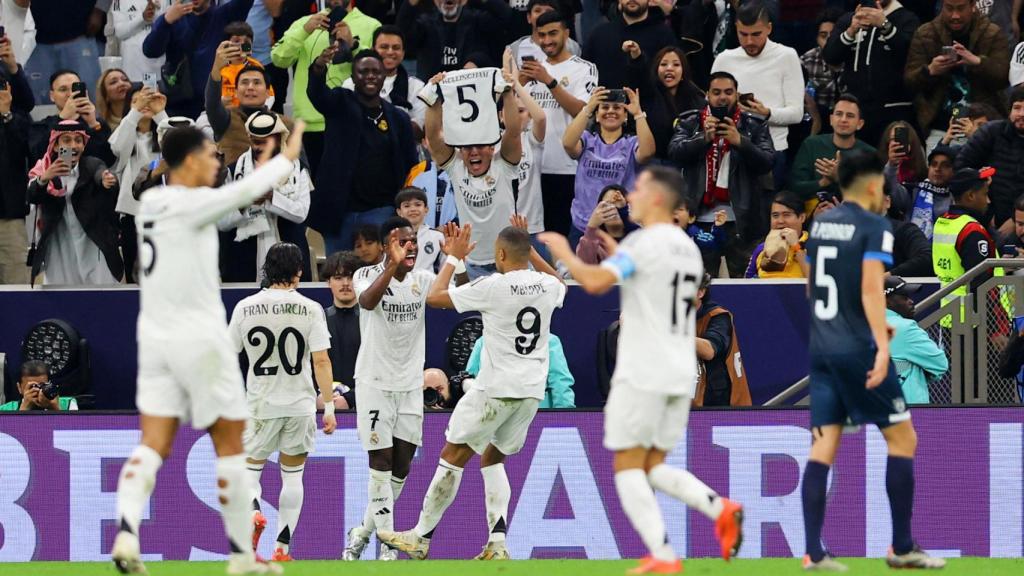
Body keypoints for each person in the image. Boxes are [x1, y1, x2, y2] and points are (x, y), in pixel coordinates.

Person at [110, 120, 307, 576]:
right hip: (198, 336)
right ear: (191, 159)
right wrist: (287, 154)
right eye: (211, 153)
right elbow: (249, 191)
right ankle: (241, 558)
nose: (217, 161)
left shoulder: (153, 202)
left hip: (155, 338)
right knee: (230, 445)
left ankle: (125, 532)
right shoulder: (188, 202)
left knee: (153, 443)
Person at [539, 166, 744, 575]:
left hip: (642, 368)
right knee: (651, 464)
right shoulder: (686, 248)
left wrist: (560, 251)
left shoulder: (646, 241)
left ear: (657, 199)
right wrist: (615, 250)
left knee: (626, 467)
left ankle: (664, 555)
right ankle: (720, 508)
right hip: (678, 372)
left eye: (639, 187)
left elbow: (595, 282)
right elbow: (646, 280)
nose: (630, 193)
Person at [378, 224, 565, 561]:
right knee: (493, 458)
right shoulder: (549, 285)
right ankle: (497, 542)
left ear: (502, 255)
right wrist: (531, 249)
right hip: (530, 392)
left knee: (452, 456)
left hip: (495, 388)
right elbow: (562, 282)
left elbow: (434, 297)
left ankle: (420, 537)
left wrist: (453, 257)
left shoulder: (493, 286)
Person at [801, 151, 945, 571]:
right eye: (883, 185)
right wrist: (882, 348)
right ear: (868, 185)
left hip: (822, 347)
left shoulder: (822, 222)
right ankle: (901, 547)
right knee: (903, 440)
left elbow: (811, 288)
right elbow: (870, 291)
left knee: (824, 446)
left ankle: (814, 552)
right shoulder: (874, 227)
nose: (886, 193)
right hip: (857, 349)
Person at [342, 217, 443, 562]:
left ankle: (363, 531)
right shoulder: (364, 276)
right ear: (387, 246)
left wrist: (457, 260)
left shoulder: (423, 280)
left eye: (413, 240)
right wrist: (392, 267)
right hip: (374, 383)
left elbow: (454, 293)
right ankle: (387, 544)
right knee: (380, 461)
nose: (410, 245)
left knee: (402, 467)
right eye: (402, 241)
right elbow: (368, 303)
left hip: (410, 386)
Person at [227, 242, 336, 562]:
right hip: (299, 405)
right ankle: (282, 548)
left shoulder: (245, 307)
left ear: (266, 269)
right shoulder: (311, 308)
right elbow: (321, 361)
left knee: (248, 472)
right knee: (293, 476)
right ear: (299, 271)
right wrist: (328, 406)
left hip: (260, 404)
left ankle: (253, 512)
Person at [307, 46, 417, 254]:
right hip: (340, 212)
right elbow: (317, 94)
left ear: (384, 76)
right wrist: (320, 67)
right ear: (353, 76)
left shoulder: (398, 118)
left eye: (376, 72)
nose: (370, 77)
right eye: (363, 72)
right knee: (339, 272)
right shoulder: (340, 102)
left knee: (379, 273)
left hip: (382, 210)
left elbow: (410, 164)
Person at [668, 70, 775, 278]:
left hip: (742, 220)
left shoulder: (753, 124)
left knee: (746, 287)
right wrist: (703, 138)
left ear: (737, 94)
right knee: (698, 285)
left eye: (728, 92)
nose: (722, 97)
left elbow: (768, 162)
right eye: (716, 92)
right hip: (698, 219)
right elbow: (674, 153)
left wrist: (741, 142)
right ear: (707, 95)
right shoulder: (691, 122)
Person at [422, 69, 523, 279]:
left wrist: (506, 91)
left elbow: (513, 131)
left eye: (480, 146)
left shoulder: (502, 165)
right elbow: (432, 136)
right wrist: (434, 98)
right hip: (472, 263)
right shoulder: (456, 167)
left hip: (510, 260)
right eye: (467, 147)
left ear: (491, 148)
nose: (473, 151)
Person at [271, 0, 382, 179]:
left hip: (354, 121)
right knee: (313, 192)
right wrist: (304, 31)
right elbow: (278, 58)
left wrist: (353, 44)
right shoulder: (304, 23)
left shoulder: (371, 25)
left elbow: (380, 68)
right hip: (309, 125)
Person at [710, 1, 804, 191]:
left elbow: (797, 113)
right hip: (729, 150)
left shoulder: (787, 56)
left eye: (756, 34)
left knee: (765, 216)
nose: (749, 41)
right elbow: (709, 103)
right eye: (743, 34)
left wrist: (766, 112)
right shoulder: (724, 59)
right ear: (736, 28)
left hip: (771, 150)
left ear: (769, 28)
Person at [520, 11, 597, 236]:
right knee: (533, 236)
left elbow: (583, 111)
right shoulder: (530, 71)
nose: (546, 41)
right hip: (531, 170)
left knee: (562, 236)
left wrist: (550, 82)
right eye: (541, 35)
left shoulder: (583, 68)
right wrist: (517, 83)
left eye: (552, 33)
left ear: (566, 33)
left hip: (566, 167)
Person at [218, 111, 311, 282]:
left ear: (277, 138)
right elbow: (222, 223)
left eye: (265, 142)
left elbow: (301, 213)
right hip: (243, 255)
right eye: (255, 141)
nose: (259, 147)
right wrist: (243, 204)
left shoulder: (297, 169)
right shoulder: (233, 171)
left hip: (289, 250)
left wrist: (272, 197)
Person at [904, 0, 1010, 152]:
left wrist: (978, 62)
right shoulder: (925, 33)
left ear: (973, 6)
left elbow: (1004, 77)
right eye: (949, 8)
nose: (955, 15)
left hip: (982, 125)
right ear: (941, 6)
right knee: (937, 171)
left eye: (961, 9)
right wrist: (930, 71)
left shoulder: (992, 33)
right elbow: (909, 81)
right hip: (939, 127)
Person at [28, 120, 122, 285]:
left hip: (92, 245)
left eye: (78, 141)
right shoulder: (44, 170)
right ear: (56, 146)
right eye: (67, 141)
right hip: (59, 247)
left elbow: (100, 173)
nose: (73, 146)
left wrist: (106, 180)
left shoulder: (92, 164)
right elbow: (32, 195)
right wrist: (44, 179)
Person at [563, 86, 654, 246]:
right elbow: (568, 143)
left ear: (625, 116)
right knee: (578, 271)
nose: (611, 111)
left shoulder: (631, 143)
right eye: (604, 107)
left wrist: (638, 114)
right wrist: (588, 108)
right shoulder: (587, 139)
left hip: (620, 226)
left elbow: (647, 152)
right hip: (583, 224)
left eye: (617, 108)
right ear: (597, 116)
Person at [821, 0, 920, 146]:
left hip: (894, 110)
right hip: (856, 110)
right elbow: (830, 56)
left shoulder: (907, 19)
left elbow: (911, 56)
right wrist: (850, 31)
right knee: (855, 165)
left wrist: (885, 25)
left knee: (893, 160)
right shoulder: (848, 19)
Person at [142, 0, 258, 118]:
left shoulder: (224, 15)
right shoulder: (173, 18)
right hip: (178, 102)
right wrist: (166, 21)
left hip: (215, 103)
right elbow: (150, 51)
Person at [108, 85, 169, 283]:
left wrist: (160, 114)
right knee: (136, 279)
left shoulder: (162, 134)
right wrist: (134, 113)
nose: (144, 104)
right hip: (132, 216)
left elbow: (180, 143)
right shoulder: (126, 137)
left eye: (148, 100)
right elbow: (117, 148)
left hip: (166, 215)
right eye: (137, 101)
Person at [956, 87, 1024, 241]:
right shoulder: (991, 132)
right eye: (1017, 107)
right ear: (1009, 111)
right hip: (985, 216)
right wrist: (984, 210)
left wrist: (1016, 220)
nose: (1021, 114)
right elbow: (962, 168)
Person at [207, 42, 291, 166]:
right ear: (236, 91)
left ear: (268, 92)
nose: (250, 87)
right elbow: (212, 104)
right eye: (244, 82)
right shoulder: (225, 119)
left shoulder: (286, 124)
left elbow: (302, 169)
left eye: (257, 83)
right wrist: (216, 69)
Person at [789, 94, 877, 205]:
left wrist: (839, 178)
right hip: (814, 213)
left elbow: (873, 197)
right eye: (839, 114)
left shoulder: (869, 154)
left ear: (860, 124)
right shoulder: (811, 144)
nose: (843, 119)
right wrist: (824, 182)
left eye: (850, 116)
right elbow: (795, 188)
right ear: (831, 119)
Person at [933, 167, 1001, 308]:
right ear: (970, 196)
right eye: (985, 194)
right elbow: (980, 285)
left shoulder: (942, 223)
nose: (988, 201)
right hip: (976, 322)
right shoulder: (972, 231)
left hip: (950, 315)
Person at [396, 0, 514, 80]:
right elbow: (402, 34)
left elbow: (506, 16)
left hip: (470, 86)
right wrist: (410, 3)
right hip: (433, 89)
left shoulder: (477, 20)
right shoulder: (425, 23)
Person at [624, 44, 706, 160]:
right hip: (652, 163)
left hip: (685, 166)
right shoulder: (648, 95)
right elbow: (639, 73)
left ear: (683, 72)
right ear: (656, 70)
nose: (669, 68)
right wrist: (636, 56)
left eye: (676, 64)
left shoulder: (697, 101)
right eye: (663, 64)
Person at [343, 26, 426, 136]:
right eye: (384, 47)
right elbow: (346, 123)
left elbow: (419, 130)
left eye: (396, 48)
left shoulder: (417, 87)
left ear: (403, 53)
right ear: (373, 50)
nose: (390, 52)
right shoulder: (350, 84)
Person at [581, 0, 677, 89]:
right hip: (606, 104)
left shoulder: (664, 35)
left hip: (649, 105)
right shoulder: (599, 34)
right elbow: (584, 75)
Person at [23, 0, 103, 106]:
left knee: (87, 97)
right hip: (39, 39)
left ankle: (92, 122)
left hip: (79, 35)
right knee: (39, 99)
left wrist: (101, 8)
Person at [30, 69, 116, 167]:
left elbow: (108, 160)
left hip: (90, 179)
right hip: (55, 180)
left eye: (75, 89)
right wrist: (62, 119)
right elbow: (38, 157)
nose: (70, 94)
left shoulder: (97, 125)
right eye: (63, 89)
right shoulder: (42, 126)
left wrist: (93, 124)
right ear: (52, 96)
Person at [466, 332, 575, 408]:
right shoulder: (483, 342)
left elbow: (560, 384)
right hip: (492, 420)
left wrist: (565, 417)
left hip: (538, 418)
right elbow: (470, 381)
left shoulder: (548, 341)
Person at [885, 275, 948, 404]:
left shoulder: (862, 326)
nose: (911, 301)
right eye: (904, 297)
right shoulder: (906, 328)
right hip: (909, 409)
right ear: (887, 302)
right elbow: (941, 364)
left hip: (873, 408)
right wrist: (917, 368)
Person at [694, 273, 751, 407]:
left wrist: (671, 334)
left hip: (722, 403)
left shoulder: (718, 317)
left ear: (700, 292)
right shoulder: (669, 316)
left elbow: (709, 351)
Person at [0, 76, 32, 285]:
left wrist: (6, 114)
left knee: (16, 288)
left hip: (9, 219)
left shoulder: (17, 120)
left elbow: (27, 151)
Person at [323, 250, 363, 410]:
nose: (345, 283)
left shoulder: (372, 322)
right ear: (328, 281)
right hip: (324, 405)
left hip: (365, 405)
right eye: (338, 278)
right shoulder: (318, 320)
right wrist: (323, 396)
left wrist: (350, 398)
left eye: (351, 277)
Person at [888, 144, 955, 239]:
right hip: (911, 250)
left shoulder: (958, 197)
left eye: (945, 165)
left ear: (954, 170)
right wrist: (892, 165)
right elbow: (890, 189)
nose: (937, 169)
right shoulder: (913, 191)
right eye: (934, 164)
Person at [744, 191, 807, 279]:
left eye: (786, 215)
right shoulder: (761, 248)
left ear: (802, 217)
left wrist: (797, 247)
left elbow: (817, 280)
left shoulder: (814, 245)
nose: (780, 221)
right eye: (775, 215)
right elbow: (746, 286)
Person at [218, 21, 276, 109]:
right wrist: (219, 102)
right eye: (236, 41)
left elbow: (270, 95)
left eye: (246, 42)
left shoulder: (256, 66)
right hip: (223, 113)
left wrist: (260, 110)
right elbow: (210, 95)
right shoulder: (219, 67)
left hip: (251, 112)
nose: (241, 46)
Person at [506, 0, 582, 66]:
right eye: (537, 11)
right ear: (529, 17)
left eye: (549, 11)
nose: (542, 14)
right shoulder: (514, 50)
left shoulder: (572, 46)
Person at [800, 7, 843, 125]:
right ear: (817, 38)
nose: (829, 41)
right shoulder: (807, 60)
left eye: (833, 35)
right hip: (815, 121)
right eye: (823, 35)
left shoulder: (854, 59)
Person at [111, 0, 166, 89]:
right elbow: (120, 32)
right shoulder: (119, 1)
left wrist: (157, 14)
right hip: (132, 73)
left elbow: (170, 25)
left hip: (158, 70)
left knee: (156, 101)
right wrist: (142, 18)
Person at [577, 184, 636, 264]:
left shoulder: (640, 236)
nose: (612, 209)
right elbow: (585, 265)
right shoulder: (592, 243)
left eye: (616, 204)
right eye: (607, 205)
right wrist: (591, 227)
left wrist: (623, 212)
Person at [395, 187, 444, 272]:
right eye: (407, 206)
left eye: (418, 205)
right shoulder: (394, 237)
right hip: (401, 284)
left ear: (426, 209)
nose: (413, 209)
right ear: (399, 212)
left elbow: (445, 267)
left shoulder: (438, 236)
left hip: (430, 284)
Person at [0, 359, 78, 411]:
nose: (37, 390)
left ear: (49, 384)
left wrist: (55, 409)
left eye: (42, 385)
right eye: (32, 387)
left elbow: (73, 433)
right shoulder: (5, 410)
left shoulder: (69, 404)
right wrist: (24, 409)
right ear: (19, 388)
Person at [95, 68, 133, 132]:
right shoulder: (100, 127)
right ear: (105, 95)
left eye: (125, 80)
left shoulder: (145, 117)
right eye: (113, 82)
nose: (122, 83)